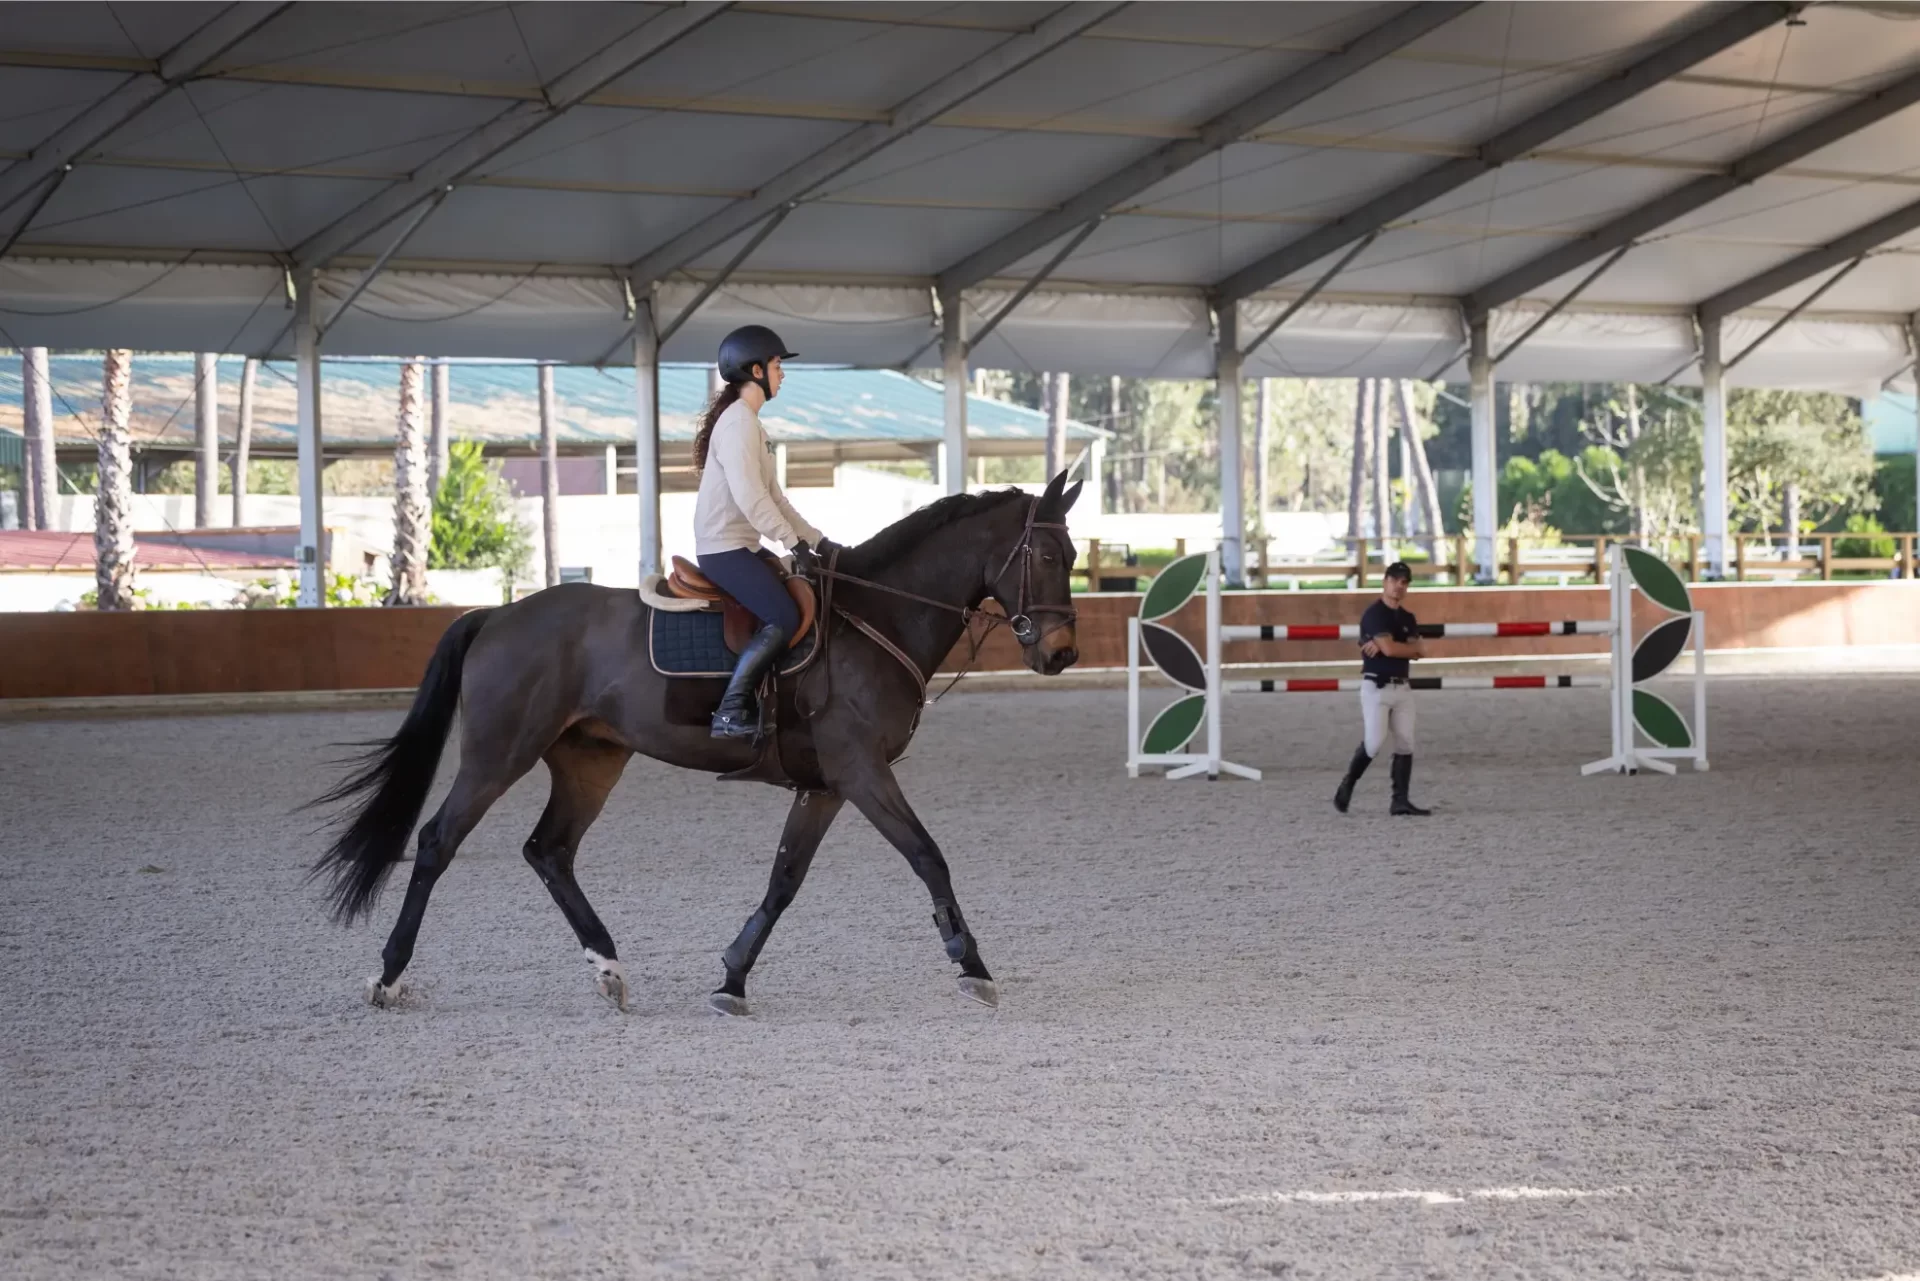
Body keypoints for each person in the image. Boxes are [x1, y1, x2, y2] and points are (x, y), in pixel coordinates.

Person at [692, 324, 833, 739]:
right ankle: (730, 710)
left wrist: (816, 542)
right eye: (776, 365)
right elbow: (753, 499)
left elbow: (776, 500)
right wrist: (791, 543)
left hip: (743, 545)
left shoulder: (751, 424)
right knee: (782, 616)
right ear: (755, 370)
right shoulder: (738, 424)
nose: (782, 373)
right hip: (723, 549)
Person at [1333, 561, 1431, 816]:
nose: (1399, 586)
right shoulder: (1374, 614)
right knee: (1374, 743)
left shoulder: (1408, 618)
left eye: (1404, 582)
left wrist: (1390, 645)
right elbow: (1399, 649)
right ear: (1385, 581)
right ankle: (1348, 783)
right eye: (1395, 580)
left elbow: (1420, 651)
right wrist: (1395, 648)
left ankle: (1400, 799)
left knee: (1406, 742)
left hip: (1402, 686)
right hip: (1376, 686)